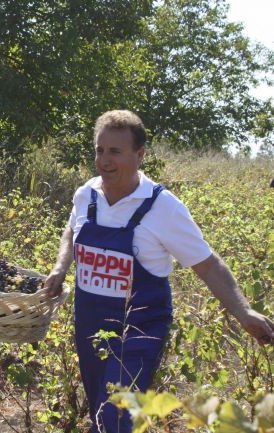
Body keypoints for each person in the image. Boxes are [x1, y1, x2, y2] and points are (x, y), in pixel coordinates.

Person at [44, 110, 274, 433]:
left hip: (138, 332)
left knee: (114, 417)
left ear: (140, 155)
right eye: (99, 150)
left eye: (115, 152)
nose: (104, 160)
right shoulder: (86, 195)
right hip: (89, 328)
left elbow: (208, 264)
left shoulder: (162, 207)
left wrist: (243, 310)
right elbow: (71, 231)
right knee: (99, 410)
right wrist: (60, 266)